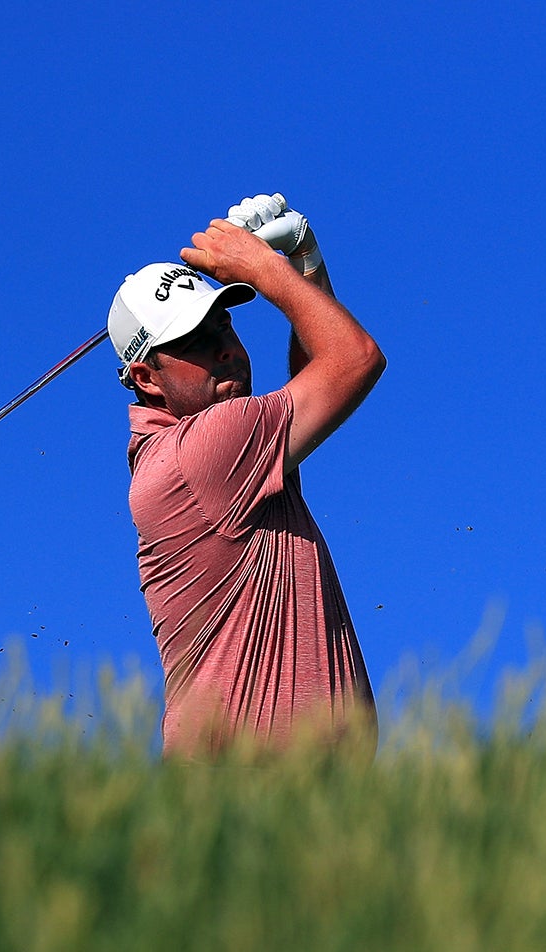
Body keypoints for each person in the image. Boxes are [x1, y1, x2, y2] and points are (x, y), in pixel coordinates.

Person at [107, 195, 385, 756]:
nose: (228, 353)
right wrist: (267, 268)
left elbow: (317, 379)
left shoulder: (223, 450)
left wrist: (306, 267)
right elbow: (354, 359)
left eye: (225, 330)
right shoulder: (204, 450)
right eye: (197, 345)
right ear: (147, 376)